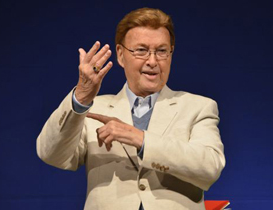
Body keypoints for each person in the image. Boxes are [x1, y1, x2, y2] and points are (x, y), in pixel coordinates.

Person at [37, 7, 225, 210]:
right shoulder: (94, 108)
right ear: (120, 55)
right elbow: (50, 153)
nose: (152, 61)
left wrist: (141, 139)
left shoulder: (198, 107)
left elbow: (209, 167)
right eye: (141, 50)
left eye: (161, 51)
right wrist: (81, 96)